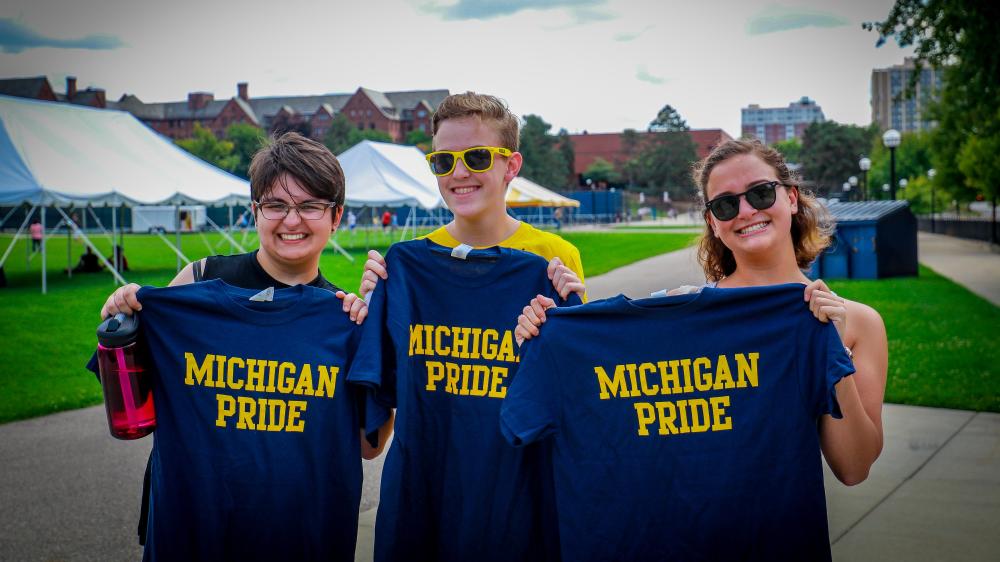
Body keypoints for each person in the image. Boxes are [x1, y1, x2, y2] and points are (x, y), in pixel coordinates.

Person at [516, 138, 886, 486]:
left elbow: (854, 468)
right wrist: (562, 325)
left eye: (760, 193)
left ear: (790, 197)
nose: (745, 211)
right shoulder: (680, 313)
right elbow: (607, 394)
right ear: (712, 221)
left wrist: (833, 355)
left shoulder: (853, 323)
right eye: (725, 204)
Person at [97, 132, 391, 550]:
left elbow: (368, 446)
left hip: (297, 535)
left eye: (309, 206)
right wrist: (122, 322)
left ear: (336, 216)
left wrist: (377, 347)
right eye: (276, 205)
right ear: (255, 211)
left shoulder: (343, 318)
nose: (292, 220)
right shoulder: (198, 282)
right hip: (194, 527)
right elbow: (134, 399)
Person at [360, 91, 585, 302]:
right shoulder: (410, 266)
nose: (459, 173)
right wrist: (372, 306)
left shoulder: (556, 258)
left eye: (477, 157)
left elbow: (577, 344)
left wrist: (566, 323)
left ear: (511, 166)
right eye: (444, 161)